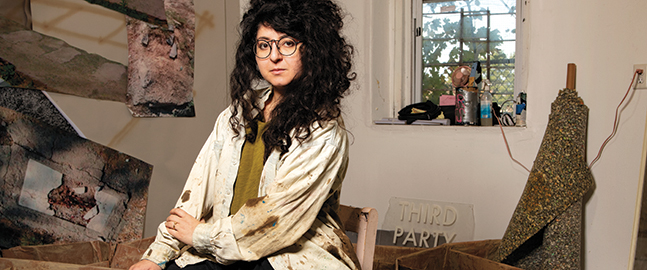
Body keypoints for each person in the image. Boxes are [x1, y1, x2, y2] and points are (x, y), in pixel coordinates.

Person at [129, 0, 358, 269]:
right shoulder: (237, 114)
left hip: (291, 258)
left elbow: (276, 218)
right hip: (226, 249)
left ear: (312, 49)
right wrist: (157, 256)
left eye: (287, 43)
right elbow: (196, 192)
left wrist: (201, 235)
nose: (274, 56)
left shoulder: (324, 129)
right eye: (264, 45)